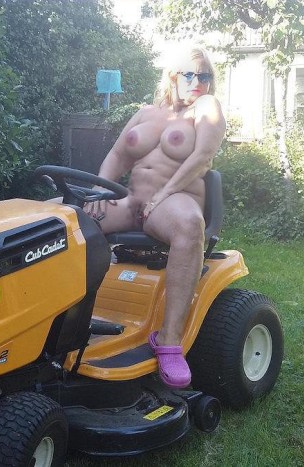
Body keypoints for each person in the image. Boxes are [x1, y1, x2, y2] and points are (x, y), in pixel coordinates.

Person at [85, 47, 226, 389]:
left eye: (205, 75)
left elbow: (203, 158)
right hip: (131, 201)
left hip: (174, 201)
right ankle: (60, 317)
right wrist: (98, 192)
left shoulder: (206, 107)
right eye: (189, 74)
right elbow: (117, 155)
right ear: (172, 76)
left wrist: (163, 195)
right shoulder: (146, 112)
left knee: (190, 226)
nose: (198, 81)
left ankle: (169, 341)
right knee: (58, 218)